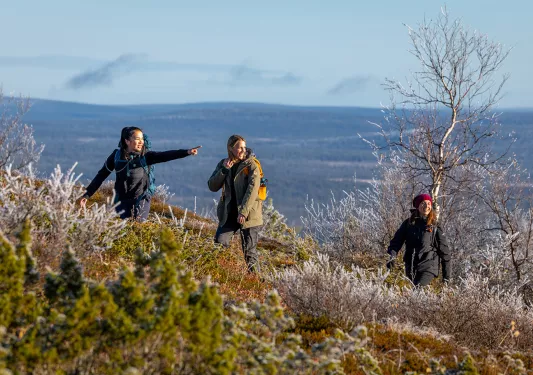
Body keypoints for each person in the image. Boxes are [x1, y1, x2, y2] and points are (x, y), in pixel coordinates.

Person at [80, 126, 201, 221]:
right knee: (124, 229)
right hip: (121, 200)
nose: (141, 142)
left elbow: (165, 155)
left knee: (138, 224)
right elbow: (101, 175)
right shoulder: (116, 156)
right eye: (137, 139)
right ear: (127, 141)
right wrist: (86, 195)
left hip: (142, 198)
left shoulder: (146, 156)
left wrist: (187, 152)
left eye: (142, 139)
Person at [208, 134, 263, 273]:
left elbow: (252, 191)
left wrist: (243, 212)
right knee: (220, 244)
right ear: (231, 148)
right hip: (229, 214)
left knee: (249, 252)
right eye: (240, 148)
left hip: (249, 215)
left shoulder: (252, 165)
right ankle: (220, 277)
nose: (243, 150)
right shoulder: (223, 164)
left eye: (244, 147)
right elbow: (212, 186)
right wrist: (224, 170)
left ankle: (257, 283)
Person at [386, 193, 451, 286]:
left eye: (428, 203)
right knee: (415, 294)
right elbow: (396, 242)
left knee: (418, 289)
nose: (426, 206)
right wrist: (392, 255)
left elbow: (445, 252)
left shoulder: (434, 226)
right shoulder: (408, 224)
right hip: (411, 266)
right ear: (417, 206)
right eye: (423, 203)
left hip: (429, 265)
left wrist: (446, 278)